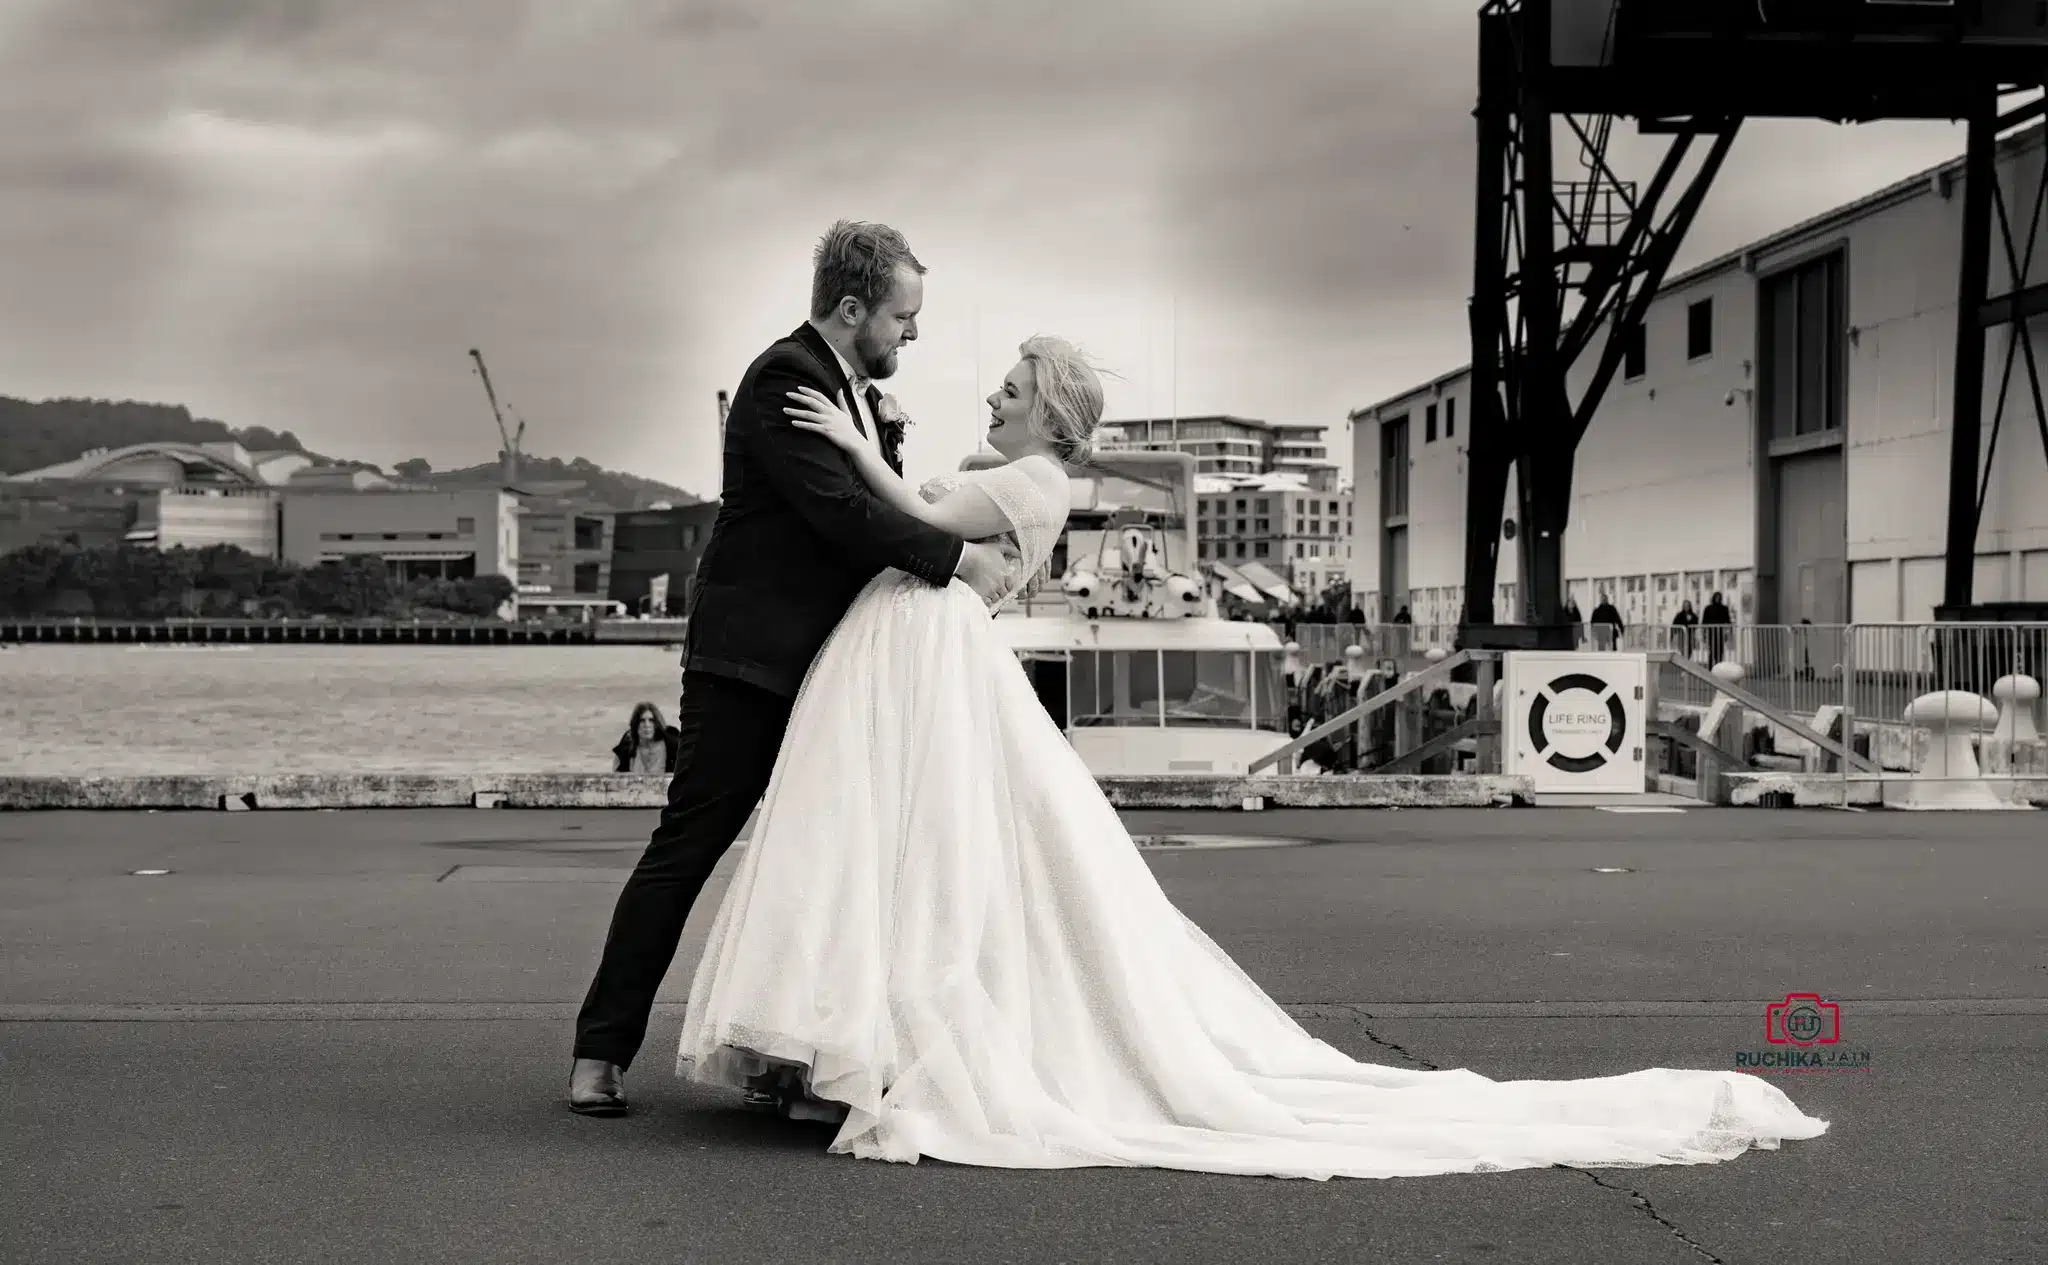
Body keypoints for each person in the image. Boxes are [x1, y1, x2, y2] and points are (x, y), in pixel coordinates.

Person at [667, 334, 1828, 1179]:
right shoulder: (1028, 477)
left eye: (1011, 388)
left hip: (930, 654)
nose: (994, 393)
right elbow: (927, 534)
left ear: (1046, 414)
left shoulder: (1029, 478)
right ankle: (854, 1036)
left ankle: (874, 1039)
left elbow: (916, 527)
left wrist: (848, 444)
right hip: (924, 653)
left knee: (931, 851)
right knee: (924, 849)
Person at [567, 220, 1018, 1115]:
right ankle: (598, 1054)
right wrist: (959, 560)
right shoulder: (784, 379)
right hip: (752, 667)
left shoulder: (849, 392)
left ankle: (807, 1059)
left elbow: (860, 503)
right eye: (902, 316)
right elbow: (842, 517)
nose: (912, 335)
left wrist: (882, 441)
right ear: (851, 309)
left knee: (833, 864)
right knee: (688, 848)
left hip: (833, 673)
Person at [611, 701, 681, 774]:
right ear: (636, 724)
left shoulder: (674, 747)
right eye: (642, 721)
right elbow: (616, 779)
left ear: (657, 724)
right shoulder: (626, 747)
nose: (647, 725)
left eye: (651, 720)